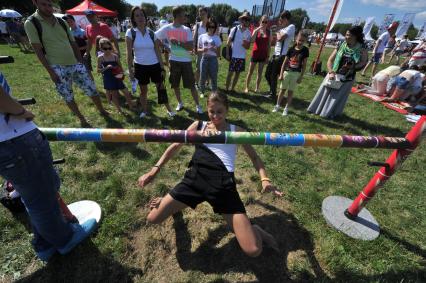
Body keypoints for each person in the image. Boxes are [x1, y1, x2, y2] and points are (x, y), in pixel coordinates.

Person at [138, 92, 282, 258]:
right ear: (207, 110)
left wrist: (264, 179)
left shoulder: (236, 131)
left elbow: (255, 157)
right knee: (152, 218)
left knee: (254, 250)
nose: (215, 116)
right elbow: (176, 145)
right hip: (194, 180)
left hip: (223, 187)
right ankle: (171, 201)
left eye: (219, 111)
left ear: (227, 110)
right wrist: (154, 169)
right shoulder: (199, 126)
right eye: (211, 111)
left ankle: (255, 229)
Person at [0, 71, 97, 262]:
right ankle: (65, 239)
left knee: (35, 196)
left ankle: (44, 243)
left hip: (11, 143)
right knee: (41, 196)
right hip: (13, 140)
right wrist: (21, 111)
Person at [25, 0, 108, 127]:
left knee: (92, 88)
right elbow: (37, 50)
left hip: (75, 63)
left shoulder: (62, 22)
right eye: (43, 4)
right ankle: (82, 119)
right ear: (35, 2)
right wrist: (51, 71)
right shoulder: (32, 23)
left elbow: (73, 43)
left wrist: (81, 62)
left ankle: (102, 110)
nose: (48, 8)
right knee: (68, 96)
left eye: (50, 5)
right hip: (56, 66)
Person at [307, 26, 368, 119]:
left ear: (355, 36)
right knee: (324, 93)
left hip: (347, 78)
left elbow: (363, 62)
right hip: (333, 75)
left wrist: (353, 67)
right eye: (346, 35)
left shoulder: (362, 48)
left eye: (349, 35)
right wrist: (331, 72)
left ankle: (329, 114)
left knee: (336, 97)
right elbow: (330, 60)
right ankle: (316, 110)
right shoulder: (341, 45)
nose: (346, 37)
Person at [125, 6, 176, 118]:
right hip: (140, 66)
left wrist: (162, 67)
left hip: (155, 65)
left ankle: (169, 110)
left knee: (161, 88)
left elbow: (158, 51)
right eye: (137, 15)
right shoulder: (130, 32)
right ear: (133, 18)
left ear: (145, 17)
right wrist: (130, 70)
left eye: (142, 15)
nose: (140, 17)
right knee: (143, 91)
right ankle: (145, 110)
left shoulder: (151, 33)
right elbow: (128, 54)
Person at [155, 6, 203, 114]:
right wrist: (165, 46)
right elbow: (154, 37)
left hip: (186, 61)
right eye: (183, 15)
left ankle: (198, 105)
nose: (185, 17)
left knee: (191, 85)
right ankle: (180, 102)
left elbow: (191, 47)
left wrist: (178, 43)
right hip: (174, 61)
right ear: (176, 16)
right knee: (175, 84)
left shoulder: (186, 29)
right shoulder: (167, 28)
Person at [273, 31, 309, 116]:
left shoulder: (305, 50)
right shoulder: (291, 49)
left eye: (303, 41)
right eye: (299, 40)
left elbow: (304, 65)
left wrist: (301, 77)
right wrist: (281, 74)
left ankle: (286, 108)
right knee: (282, 90)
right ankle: (277, 106)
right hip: (287, 72)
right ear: (296, 39)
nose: (300, 42)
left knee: (290, 92)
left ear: (305, 41)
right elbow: (284, 63)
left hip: (296, 74)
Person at [97, 37, 135, 113]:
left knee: (126, 93)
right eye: (105, 48)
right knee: (114, 95)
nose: (108, 50)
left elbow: (120, 66)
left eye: (109, 48)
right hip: (109, 78)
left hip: (117, 77)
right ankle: (119, 110)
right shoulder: (100, 58)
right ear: (101, 48)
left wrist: (122, 73)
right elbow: (98, 70)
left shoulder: (115, 56)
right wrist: (106, 68)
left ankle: (131, 107)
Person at [265, 11, 295, 98]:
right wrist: (274, 35)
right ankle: (272, 90)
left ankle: (273, 94)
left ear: (285, 19)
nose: (279, 21)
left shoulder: (291, 27)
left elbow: (281, 38)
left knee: (273, 75)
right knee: (267, 74)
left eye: (281, 19)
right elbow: (274, 42)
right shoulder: (281, 29)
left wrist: (277, 31)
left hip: (282, 55)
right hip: (275, 54)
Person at [225, 12, 252, 92]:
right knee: (230, 73)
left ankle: (232, 89)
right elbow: (228, 42)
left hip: (242, 57)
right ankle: (226, 89)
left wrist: (245, 44)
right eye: (244, 19)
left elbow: (247, 47)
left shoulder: (248, 33)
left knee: (237, 74)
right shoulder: (235, 29)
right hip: (233, 56)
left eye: (247, 20)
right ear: (241, 20)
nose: (245, 21)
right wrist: (227, 54)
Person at [244, 15, 271, 94]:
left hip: (263, 55)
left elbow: (269, 45)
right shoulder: (256, 30)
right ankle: (246, 87)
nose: (264, 23)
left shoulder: (269, 32)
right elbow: (252, 40)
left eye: (266, 22)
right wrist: (257, 30)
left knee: (260, 72)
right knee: (250, 72)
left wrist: (268, 56)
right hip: (255, 54)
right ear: (260, 22)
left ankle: (257, 88)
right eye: (263, 21)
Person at [63, 14, 94, 81]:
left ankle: (93, 87)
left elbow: (89, 45)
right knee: (79, 73)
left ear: (74, 21)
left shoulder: (82, 32)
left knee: (87, 71)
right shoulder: (67, 33)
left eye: (71, 21)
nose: (69, 23)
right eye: (67, 22)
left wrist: (79, 50)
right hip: (73, 56)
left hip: (84, 55)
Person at [197, 19, 221, 96]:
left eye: (213, 27)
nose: (211, 28)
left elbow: (218, 54)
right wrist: (202, 50)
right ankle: (202, 91)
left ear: (215, 28)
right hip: (204, 58)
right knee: (202, 76)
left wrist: (215, 50)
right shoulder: (201, 36)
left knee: (213, 76)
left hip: (213, 59)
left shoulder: (217, 38)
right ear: (207, 27)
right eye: (209, 26)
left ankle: (214, 92)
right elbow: (197, 50)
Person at [193, 7, 210, 90]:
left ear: (207, 13)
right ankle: (196, 83)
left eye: (203, 14)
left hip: (209, 50)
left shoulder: (211, 24)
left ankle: (207, 82)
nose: (201, 15)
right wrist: (194, 47)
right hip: (200, 50)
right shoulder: (197, 24)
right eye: (200, 14)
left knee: (208, 67)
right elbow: (195, 36)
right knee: (198, 68)